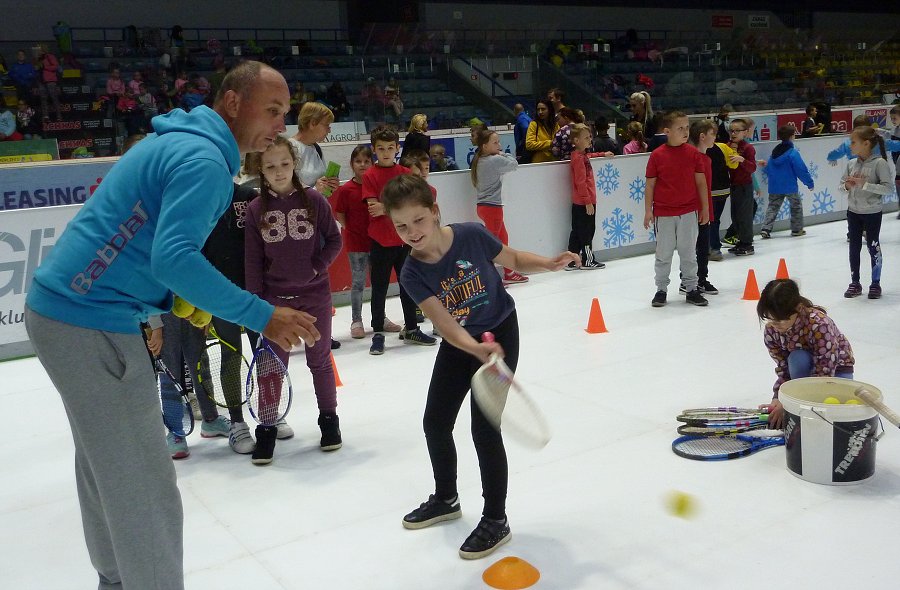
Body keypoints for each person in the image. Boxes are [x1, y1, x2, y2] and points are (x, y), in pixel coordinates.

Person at [23, 60, 320, 589]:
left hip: (71, 313)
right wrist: (263, 315)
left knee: (104, 464)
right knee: (143, 480)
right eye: (272, 111)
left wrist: (151, 311)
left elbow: (138, 243)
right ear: (233, 102)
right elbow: (174, 259)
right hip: (88, 319)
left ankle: (115, 579)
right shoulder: (203, 160)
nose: (280, 125)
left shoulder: (183, 143)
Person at [381, 174, 579, 560]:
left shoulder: (472, 235)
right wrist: (475, 349)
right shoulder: (412, 272)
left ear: (435, 212)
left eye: (418, 220)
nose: (412, 232)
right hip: (464, 343)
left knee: (483, 428)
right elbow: (446, 325)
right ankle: (446, 497)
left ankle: (495, 519)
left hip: (502, 332)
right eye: (401, 226)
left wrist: (549, 264)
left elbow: (515, 260)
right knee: (435, 421)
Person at [244, 136, 343, 464]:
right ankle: (267, 428)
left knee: (320, 359)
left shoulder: (315, 200)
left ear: (294, 164)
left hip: (314, 297)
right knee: (272, 367)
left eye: (284, 164)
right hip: (276, 303)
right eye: (270, 166)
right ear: (261, 168)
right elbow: (253, 260)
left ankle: (329, 419)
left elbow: (334, 240)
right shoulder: (256, 209)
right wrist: (258, 305)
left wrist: (317, 266)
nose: (278, 171)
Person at [362, 125, 436, 355]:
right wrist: (395, 206)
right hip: (381, 241)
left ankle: (411, 327)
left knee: (408, 285)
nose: (386, 152)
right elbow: (373, 208)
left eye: (390, 148)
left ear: (397, 148)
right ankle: (378, 332)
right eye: (381, 148)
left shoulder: (404, 172)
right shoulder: (370, 175)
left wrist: (387, 207)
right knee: (380, 287)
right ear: (374, 150)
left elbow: (411, 203)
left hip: (405, 239)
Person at [757, 279, 854, 429]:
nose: (778, 326)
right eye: (772, 320)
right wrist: (778, 398)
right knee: (796, 359)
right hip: (802, 371)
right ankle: (802, 405)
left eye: (783, 320)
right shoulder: (771, 330)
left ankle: (804, 405)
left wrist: (790, 403)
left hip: (836, 373)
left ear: (798, 308)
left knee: (835, 413)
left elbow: (824, 374)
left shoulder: (819, 324)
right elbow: (784, 368)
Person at [643, 111, 710, 308]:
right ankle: (661, 289)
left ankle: (691, 288)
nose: (685, 131)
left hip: (689, 211)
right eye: (680, 128)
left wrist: (704, 208)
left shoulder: (693, 154)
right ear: (667, 131)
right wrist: (648, 210)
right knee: (663, 254)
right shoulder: (657, 155)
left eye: (687, 127)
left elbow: (701, 182)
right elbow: (650, 185)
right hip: (664, 213)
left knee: (689, 252)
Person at [333, 145, 384, 339]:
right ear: (352, 164)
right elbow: (340, 214)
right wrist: (353, 231)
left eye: (366, 161)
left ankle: (380, 317)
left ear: (372, 163)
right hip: (356, 244)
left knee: (379, 282)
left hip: (378, 242)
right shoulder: (346, 189)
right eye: (358, 161)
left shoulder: (377, 185)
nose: (362, 165)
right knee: (358, 283)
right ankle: (356, 319)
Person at [840, 126, 892, 299]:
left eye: (853, 142)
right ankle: (855, 282)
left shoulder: (879, 163)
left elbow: (888, 189)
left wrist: (865, 185)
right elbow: (841, 186)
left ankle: (875, 283)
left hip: (872, 212)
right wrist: (847, 185)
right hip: (853, 211)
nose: (850, 145)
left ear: (866, 143)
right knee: (854, 247)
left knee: (873, 245)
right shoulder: (850, 164)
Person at [471, 128, 528, 284]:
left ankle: (508, 272)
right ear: (485, 146)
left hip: (485, 206)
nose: (499, 145)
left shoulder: (480, 160)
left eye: (499, 142)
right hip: (492, 208)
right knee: (493, 244)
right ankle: (488, 277)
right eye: (495, 143)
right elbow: (514, 163)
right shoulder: (494, 160)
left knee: (502, 238)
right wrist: (503, 154)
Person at [759, 125, 815, 239]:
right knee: (796, 206)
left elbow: (770, 168)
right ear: (791, 137)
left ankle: (766, 228)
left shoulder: (775, 151)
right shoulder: (792, 153)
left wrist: (764, 167)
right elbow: (801, 169)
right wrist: (809, 183)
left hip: (775, 186)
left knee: (772, 207)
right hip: (790, 186)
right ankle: (797, 229)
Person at [684, 119, 718, 295]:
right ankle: (689, 279)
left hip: (704, 208)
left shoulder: (706, 159)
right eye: (713, 134)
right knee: (694, 246)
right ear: (702, 136)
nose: (715, 138)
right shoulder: (694, 158)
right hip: (694, 209)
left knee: (703, 246)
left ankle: (701, 278)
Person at [566, 123, 604, 270]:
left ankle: (571, 259)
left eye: (590, 137)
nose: (590, 139)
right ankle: (588, 259)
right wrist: (588, 201)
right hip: (584, 202)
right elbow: (580, 182)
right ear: (576, 141)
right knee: (587, 231)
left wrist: (602, 154)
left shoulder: (580, 156)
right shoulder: (579, 158)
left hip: (579, 203)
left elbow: (589, 155)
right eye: (586, 137)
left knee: (577, 231)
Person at [290, 102, 340, 196]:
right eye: (327, 125)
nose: (329, 130)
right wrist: (315, 190)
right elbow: (285, 194)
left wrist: (330, 186)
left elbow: (323, 190)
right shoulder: (289, 149)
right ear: (313, 123)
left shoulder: (316, 148)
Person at [724, 118, 757, 256]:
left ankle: (747, 243)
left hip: (744, 186)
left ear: (745, 132)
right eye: (731, 130)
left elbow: (753, 167)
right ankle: (739, 240)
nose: (733, 133)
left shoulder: (748, 148)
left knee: (745, 215)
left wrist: (742, 160)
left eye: (737, 131)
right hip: (733, 185)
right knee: (735, 215)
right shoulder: (727, 146)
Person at [525, 98, 557, 163]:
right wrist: (550, 143)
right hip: (538, 163)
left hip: (554, 162)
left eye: (543, 109)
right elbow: (529, 144)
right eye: (538, 109)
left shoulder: (556, 124)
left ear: (550, 110)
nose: (540, 112)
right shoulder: (534, 124)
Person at [36, 45, 62, 122]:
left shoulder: (50, 56)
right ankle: (46, 116)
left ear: (43, 50)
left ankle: (59, 116)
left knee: (54, 98)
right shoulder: (38, 59)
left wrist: (45, 66)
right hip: (41, 81)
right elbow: (36, 68)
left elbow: (55, 66)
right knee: (43, 99)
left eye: (40, 50)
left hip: (50, 80)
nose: (39, 51)